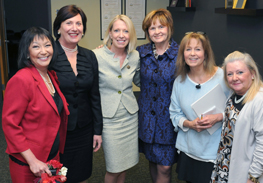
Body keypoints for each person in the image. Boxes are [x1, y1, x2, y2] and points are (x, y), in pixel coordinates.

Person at [2, 26, 69, 183]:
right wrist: (32, 161)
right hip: (30, 163)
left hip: (52, 157)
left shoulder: (50, 75)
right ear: (27, 52)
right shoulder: (22, 80)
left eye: (47, 45)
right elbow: (10, 125)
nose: (44, 51)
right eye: (36, 47)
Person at [169, 32, 231, 183]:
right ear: (182, 54)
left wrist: (218, 117)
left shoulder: (223, 77)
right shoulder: (180, 82)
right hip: (190, 150)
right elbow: (174, 114)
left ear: (206, 53)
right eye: (188, 49)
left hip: (217, 150)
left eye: (197, 49)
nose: (192, 54)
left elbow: (238, 108)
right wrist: (190, 124)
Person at [51, 5, 103, 183]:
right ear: (58, 27)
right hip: (57, 131)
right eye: (69, 22)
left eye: (79, 23)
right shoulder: (48, 55)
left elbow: (94, 95)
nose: (74, 28)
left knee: (81, 175)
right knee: (56, 176)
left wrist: (98, 130)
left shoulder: (89, 56)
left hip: (84, 129)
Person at [210, 51, 263, 183]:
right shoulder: (236, 94)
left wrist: (252, 177)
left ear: (252, 74)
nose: (234, 78)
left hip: (246, 173)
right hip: (226, 164)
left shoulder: (262, 101)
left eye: (240, 72)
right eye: (230, 74)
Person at [93, 14, 140, 183]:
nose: (121, 35)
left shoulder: (135, 56)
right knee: (113, 168)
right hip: (108, 119)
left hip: (129, 116)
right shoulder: (96, 56)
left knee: (125, 165)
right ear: (110, 33)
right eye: (117, 30)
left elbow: (142, 81)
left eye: (126, 31)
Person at [136, 8, 179, 183]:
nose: (157, 31)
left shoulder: (180, 53)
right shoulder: (140, 52)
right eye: (152, 28)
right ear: (147, 32)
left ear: (169, 28)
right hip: (147, 117)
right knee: (153, 159)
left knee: (165, 166)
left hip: (168, 119)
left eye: (161, 26)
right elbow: (118, 59)